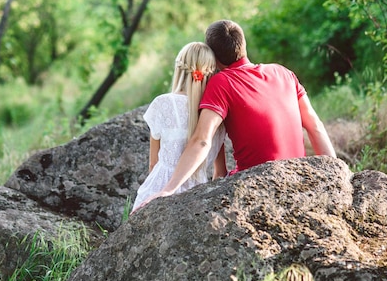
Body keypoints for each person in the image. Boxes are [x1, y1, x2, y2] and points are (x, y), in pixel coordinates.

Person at [139, 19, 336, 209]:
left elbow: (202, 140)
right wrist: (336, 174)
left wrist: (168, 189)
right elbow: (315, 126)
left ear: (214, 59)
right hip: (297, 174)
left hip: (255, 181)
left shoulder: (222, 82)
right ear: (243, 45)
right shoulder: (283, 72)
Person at [131, 42, 227, 213]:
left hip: (159, 189)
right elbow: (220, 173)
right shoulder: (215, 115)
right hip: (197, 195)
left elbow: (153, 164)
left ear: (179, 69)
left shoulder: (163, 104)